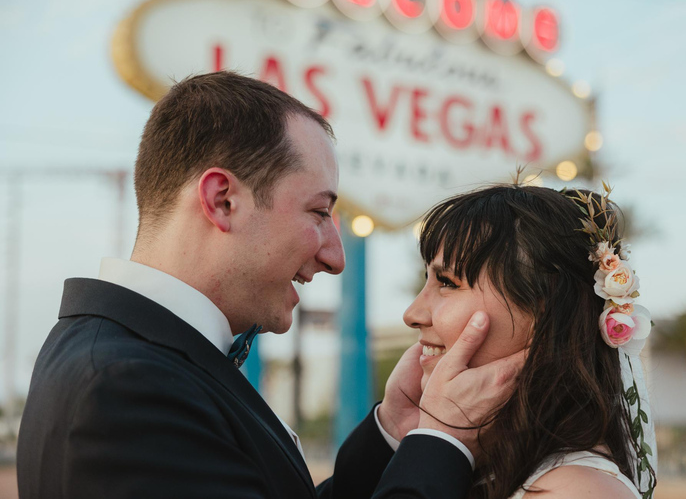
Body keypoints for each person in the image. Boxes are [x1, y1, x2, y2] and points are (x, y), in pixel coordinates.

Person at [16, 72, 524, 499]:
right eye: (319, 212)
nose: (335, 258)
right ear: (222, 201)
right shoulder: (125, 388)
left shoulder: (131, 356)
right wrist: (442, 442)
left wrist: (392, 430)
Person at [404, 184, 657, 499]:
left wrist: (434, 440)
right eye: (427, 279)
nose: (412, 314)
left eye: (447, 282)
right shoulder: (487, 465)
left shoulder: (574, 492)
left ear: (544, 312)